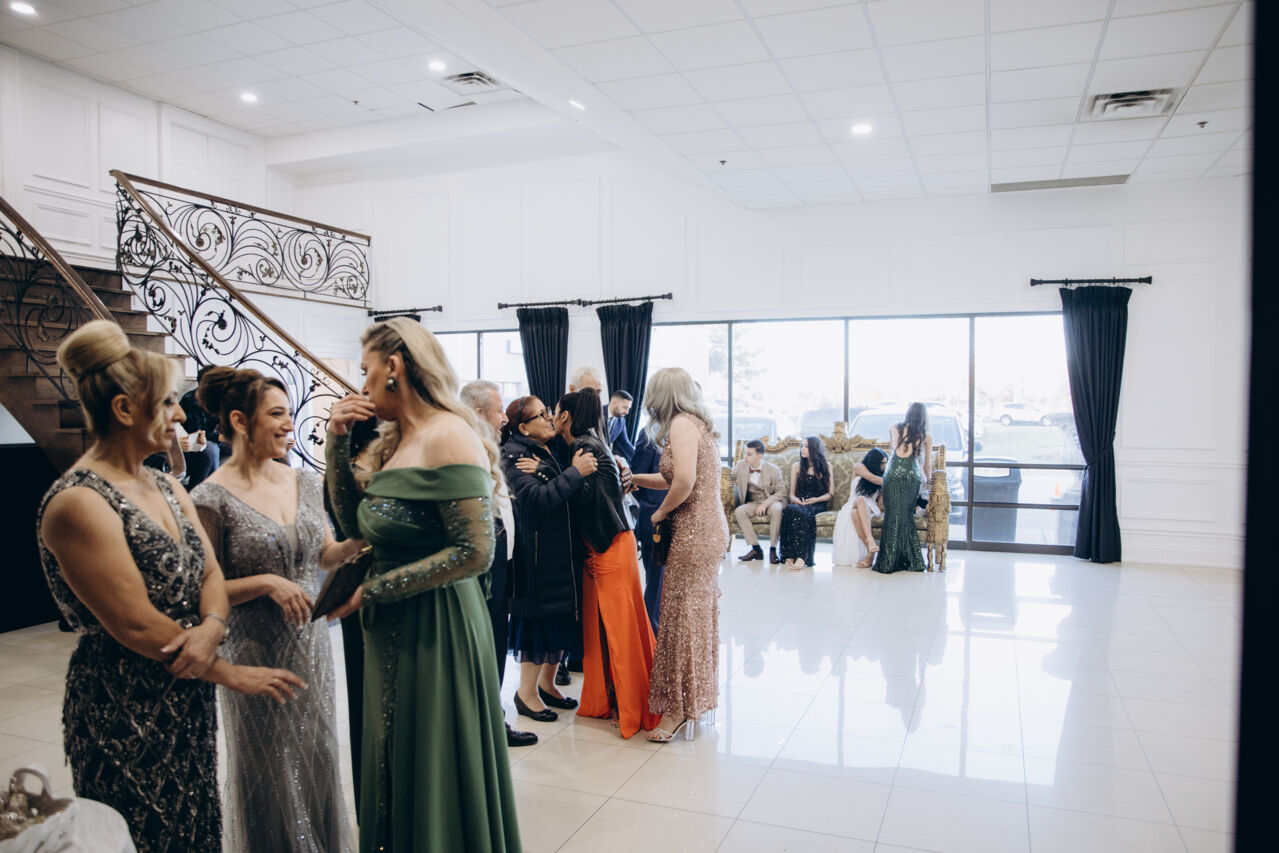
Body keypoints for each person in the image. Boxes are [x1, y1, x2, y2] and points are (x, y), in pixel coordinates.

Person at [36, 320, 304, 853]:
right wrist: (229, 671)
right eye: (166, 403)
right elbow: (134, 624)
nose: (181, 414)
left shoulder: (162, 482)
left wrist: (212, 626)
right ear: (124, 410)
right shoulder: (78, 502)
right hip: (124, 701)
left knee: (196, 826)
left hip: (186, 687)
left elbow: (209, 573)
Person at [324, 318, 520, 852]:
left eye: (366, 371)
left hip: (439, 625)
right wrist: (336, 443)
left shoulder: (449, 434)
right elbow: (353, 524)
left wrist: (373, 590)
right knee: (390, 753)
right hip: (391, 623)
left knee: (431, 760)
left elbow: (474, 553)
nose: (362, 385)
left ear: (394, 366)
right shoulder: (393, 439)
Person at [190, 367, 361, 852]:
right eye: (277, 414)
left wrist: (365, 538)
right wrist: (266, 583)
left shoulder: (304, 480)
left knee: (317, 754)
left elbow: (325, 554)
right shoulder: (209, 498)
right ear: (239, 420)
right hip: (252, 649)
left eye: (288, 413)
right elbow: (204, 590)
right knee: (266, 767)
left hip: (310, 648)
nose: (290, 424)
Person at [552, 388, 660, 739]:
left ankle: (633, 709)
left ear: (565, 416)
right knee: (610, 630)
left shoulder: (583, 447)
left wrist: (557, 477)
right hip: (609, 543)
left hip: (608, 546)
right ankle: (615, 701)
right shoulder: (592, 442)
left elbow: (585, 498)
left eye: (554, 411)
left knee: (619, 631)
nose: (551, 417)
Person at [631, 367, 728, 743]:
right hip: (706, 529)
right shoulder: (697, 424)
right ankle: (692, 702)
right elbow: (675, 477)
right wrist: (636, 479)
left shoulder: (681, 425)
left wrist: (659, 512)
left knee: (681, 619)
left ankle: (674, 711)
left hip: (694, 531)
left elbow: (685, 482)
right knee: (694, 618)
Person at [500, 395, 594, 723]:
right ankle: (525, 694)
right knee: (538, 624)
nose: (548, 417)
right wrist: (574, 473)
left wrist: (549, 471)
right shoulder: (514, 455)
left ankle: (547, 684)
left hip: (558, 553)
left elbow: (559, 481)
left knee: (559, 620)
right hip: (537, 556)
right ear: (524, 428)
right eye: (540, 415)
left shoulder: (548, 448)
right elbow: (538, 498)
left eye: (547, 411)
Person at [460, 380, 538, 748]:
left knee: (495, 644)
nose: (503, 419)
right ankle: (484, 727)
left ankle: (493, 721)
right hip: (482, 565)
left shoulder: (487, 446)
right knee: (482, 648)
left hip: (501, 563)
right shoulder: (462, 447)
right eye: (497, 411)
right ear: (478, 412)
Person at [554, 364, 632, 685]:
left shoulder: (593, 429)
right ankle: (562, 660)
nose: (597, 398)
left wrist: (620, 466)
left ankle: (587, 659)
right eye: (591, 391)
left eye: (599, 392)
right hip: (570, 528)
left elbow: (602, 467)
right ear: (573, 390)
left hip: (595, 530)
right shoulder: (559, 426)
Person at [874, 402, 931, 574]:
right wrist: (927, 482)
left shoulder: (893, 428)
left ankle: (888, 560)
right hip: (910, 474)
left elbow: (893, 451)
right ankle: (911, 559)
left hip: (892, 473)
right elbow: (926, 466)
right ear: (923, 417)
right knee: (906, 515)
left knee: (892, 515)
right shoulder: (926, 435)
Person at [778, 437, 833, 569]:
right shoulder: (796, 466)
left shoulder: (827, 466)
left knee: (803, 514)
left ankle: (802, 557)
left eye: (807, 446)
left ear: (815, 449)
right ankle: (789, 554)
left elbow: (830, 494)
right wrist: (796, 500)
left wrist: (816, 500)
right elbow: (792, 494)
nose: (803, 449)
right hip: (800, 503)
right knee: (789, 510)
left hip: (817, 503)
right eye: (802, 446)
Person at [630, 427, 666, 633]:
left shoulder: (690, 429)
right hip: (655, 518)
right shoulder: (651, 432)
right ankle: (650, 632)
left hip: (680, 518)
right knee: (656, 580)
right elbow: (636, 477)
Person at [731, 439, 787, 564]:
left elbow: (781, 492)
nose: (745, 457)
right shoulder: (741, 465)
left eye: (749, 454)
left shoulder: (773, 469)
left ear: (759, 456)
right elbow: (728, 477)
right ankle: (756, 549)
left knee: (777, 510)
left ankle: (773, 549)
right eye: (745, 453)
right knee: (740, 511)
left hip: (771, 501)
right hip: (753, 502)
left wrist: (765, 504)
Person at [832, 447, 888, 568]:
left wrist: (886, 489)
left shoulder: (883, 476)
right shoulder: (859, 467)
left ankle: (870, 551)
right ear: (874, 462)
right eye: (882, 463)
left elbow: (880, 505)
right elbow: (872, 478)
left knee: (855, 512)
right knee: (859, 501)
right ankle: (870, 544)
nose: (884, 466)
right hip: (852, 503)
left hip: (870, 507)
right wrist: (891, 481)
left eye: (886, 463)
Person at [180, 365, 222, 486]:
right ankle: (211, 488)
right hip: (193, 440)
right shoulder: (190, 400)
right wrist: (219, 437)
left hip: (210, 436)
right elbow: (195, 432)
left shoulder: (217, 398)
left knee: (241, 443)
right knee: (212, 450)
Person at [604, 390, 636, 462]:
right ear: (614, 403)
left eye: (628, 408)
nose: (627, 412)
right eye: (625, 407)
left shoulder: (621, 422)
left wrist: (639, 459)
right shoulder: (597, 412)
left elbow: (625, 443)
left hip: (605, 458)